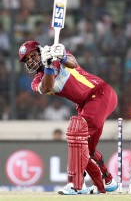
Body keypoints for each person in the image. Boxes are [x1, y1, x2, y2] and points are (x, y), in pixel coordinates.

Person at [18, 40, 118, 195]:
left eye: (32, 55)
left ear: (40, 50)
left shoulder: (56, 51)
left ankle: (77, 185)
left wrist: (62, 57)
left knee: (77, 136)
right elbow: (47, 87)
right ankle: (108, 181)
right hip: (85, 104)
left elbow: (73, 63)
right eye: (27, 59)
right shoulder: (36, 81)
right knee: (88, 149)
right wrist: (49, 66)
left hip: (99, 93)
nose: (30, 60)